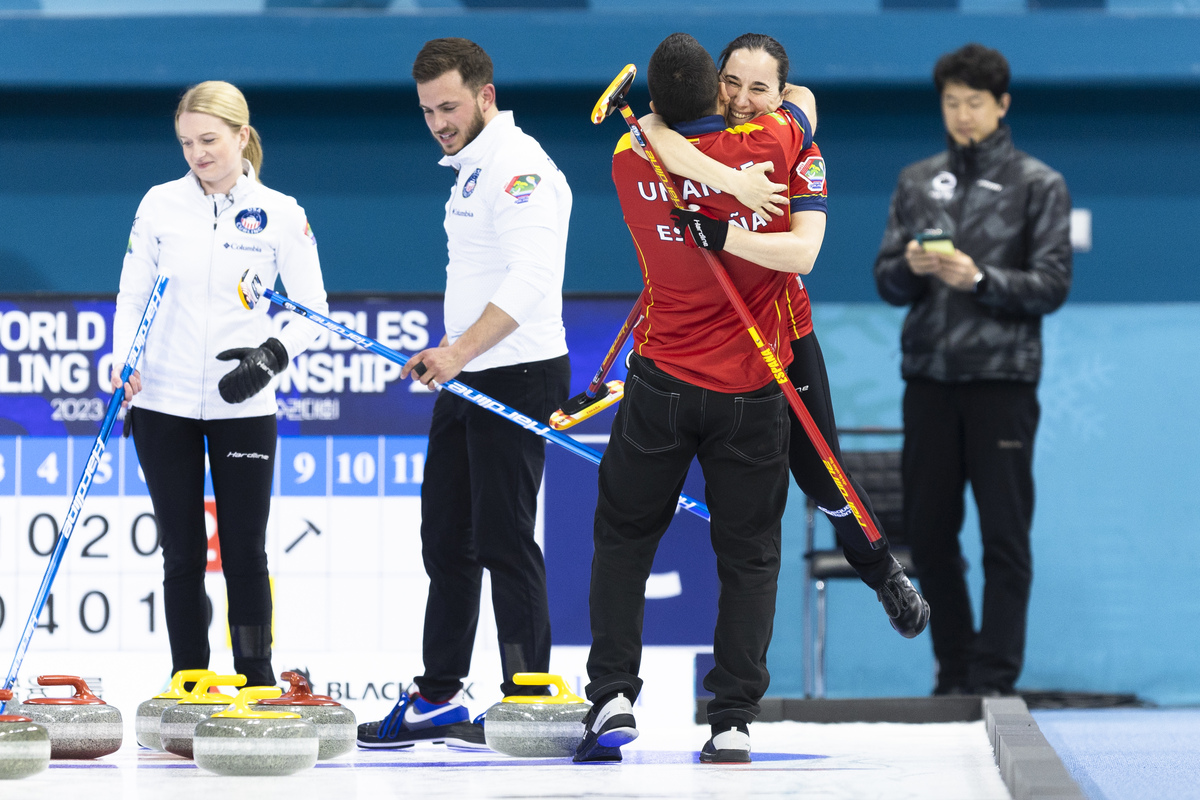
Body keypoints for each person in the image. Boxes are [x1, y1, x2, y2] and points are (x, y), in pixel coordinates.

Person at [640, 33, 929, 638]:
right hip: (700, 345)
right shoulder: (689, 131)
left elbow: (802, 252)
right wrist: (730, 180)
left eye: (759, 88)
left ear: (780, 92)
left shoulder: (795, 143)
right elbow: (650, 130)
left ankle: (881, 572)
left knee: (822, 473)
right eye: (732, 83)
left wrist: (721, 232)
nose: (743, 100)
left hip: (780, 335)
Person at [576, 32, 814, 766]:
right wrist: (736, 187)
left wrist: (659, 130)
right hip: (752, 389)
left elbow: (658, 136)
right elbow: (802, 103)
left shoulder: (627, 159)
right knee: (749, 557)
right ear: (719, 91)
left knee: (624, 541)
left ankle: (613, 694)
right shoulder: (775, 146)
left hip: (661, 387)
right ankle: (734, 716)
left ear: (653, 104)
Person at [356, 37, 572, 750]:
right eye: (426, 110)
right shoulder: (472, 170)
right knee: (447, 537)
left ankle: (527, 696)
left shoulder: (519, 167)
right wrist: (454, 357)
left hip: (517, 373)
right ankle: (440, 695)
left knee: (506, 538)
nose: (438, 122)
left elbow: (531, 276)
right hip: (469, 372)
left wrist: (458, 351)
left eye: (449, 106)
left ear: (485, 96)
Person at [113, 80, 329, 688]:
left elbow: (313, 308)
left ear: (241, 135)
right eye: (186, 142)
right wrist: (123, 357)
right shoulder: (159, 204)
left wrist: (270, 355)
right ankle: (190, 680)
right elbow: (132, 295)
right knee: (181, 554)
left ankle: (256, 679)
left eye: (208, 140)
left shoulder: (282, 213)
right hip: (162, 400)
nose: (197, 154)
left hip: (245, 403)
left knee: (244, 552)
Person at [874, 43, 1071, 696]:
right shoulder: (915, 179)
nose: (961, 115)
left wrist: (979, 277)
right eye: (951, 103)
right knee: (929, 535)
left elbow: (1051, 283)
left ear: (1002, 105)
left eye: (974, 103)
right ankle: (955, 673)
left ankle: (995, 678)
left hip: (1002, 382)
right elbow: (886, 279)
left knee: (1004, 537)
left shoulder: (1038, 184)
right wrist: (913, 267)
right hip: (927, 380)